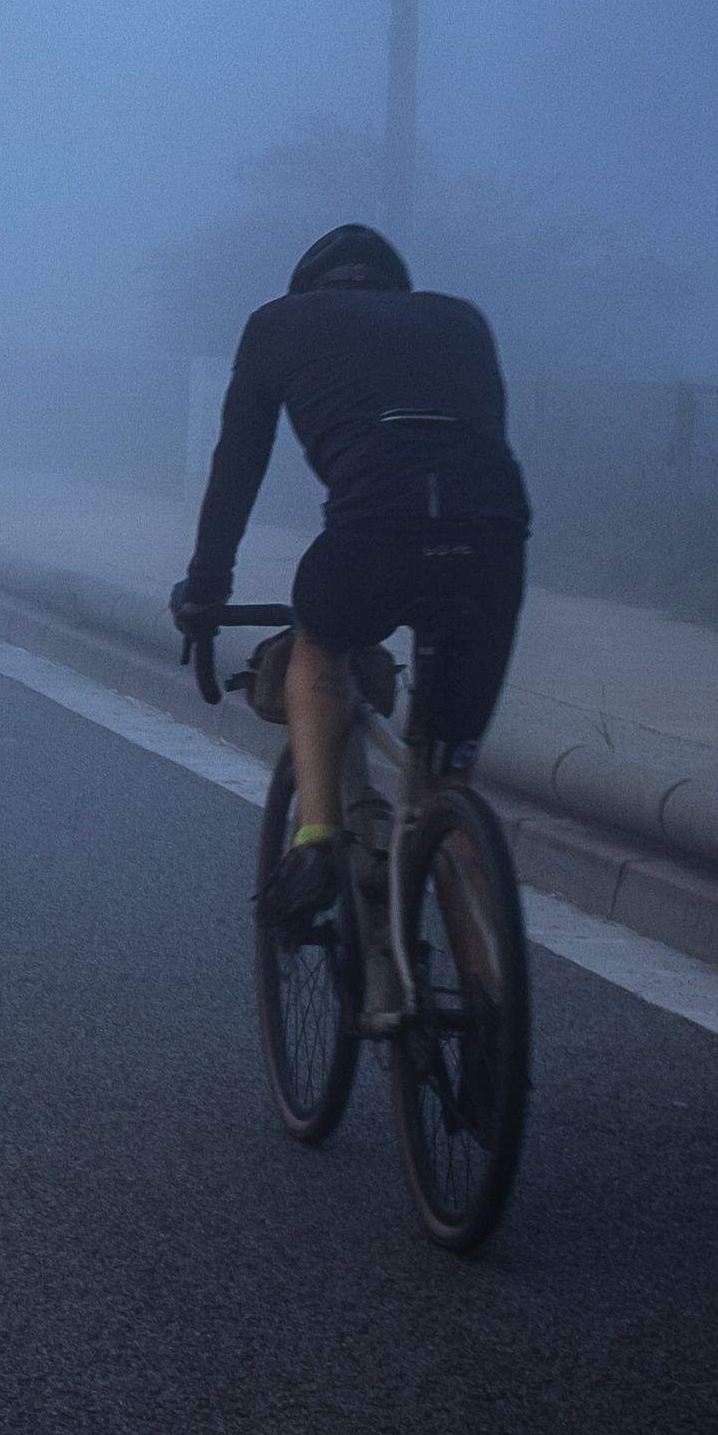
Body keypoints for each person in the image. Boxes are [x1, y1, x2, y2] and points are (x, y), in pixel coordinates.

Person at [168, 223, 531, 969]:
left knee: (319, 645)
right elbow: (480, 437)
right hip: (492, 542)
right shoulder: (461, 319)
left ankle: (316, 841)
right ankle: (490, 1003)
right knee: (442, 783)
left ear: (309, 288)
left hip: (375, 533)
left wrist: (205, 590)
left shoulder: (277, 322)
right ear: (395, 291)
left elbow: (238, 466)